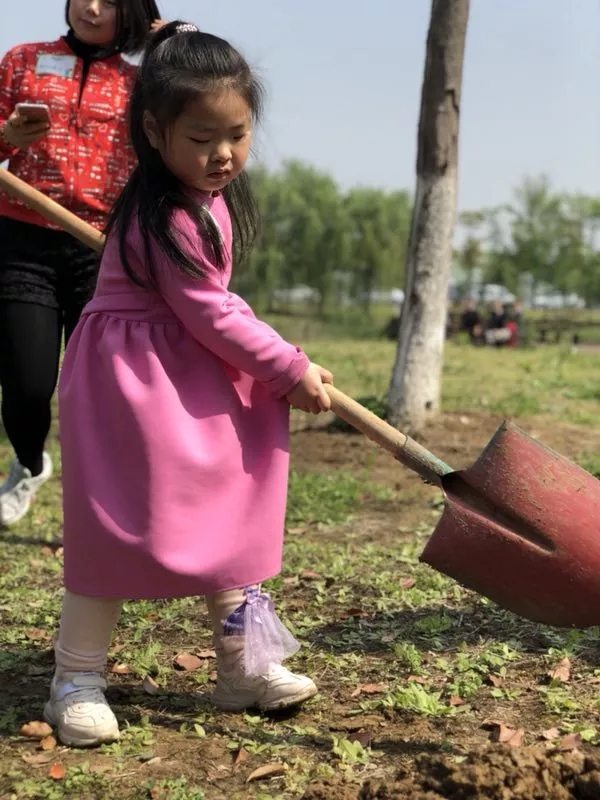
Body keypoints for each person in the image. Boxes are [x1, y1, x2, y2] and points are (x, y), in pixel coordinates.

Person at [43, 21, 334, 748]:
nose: (223, 154)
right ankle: (74, 679)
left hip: (194, 379)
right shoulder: (164, 215)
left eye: (236, 134)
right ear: (154, 130)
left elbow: (214, 311)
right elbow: (210, 309)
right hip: (131, 387)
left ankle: (243, 666)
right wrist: (288, 367)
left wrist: (272, 364)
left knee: (229, 516)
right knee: (115, 526)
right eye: (201, 137)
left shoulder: (213, 204)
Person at [0, 0, 162, 526]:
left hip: (102, 250)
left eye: (110, 1)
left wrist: (174, 47)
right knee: (27, 383)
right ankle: (28, 462)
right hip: (21, 240)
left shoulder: (145, 84)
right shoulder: (22, 60)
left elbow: (184, 135)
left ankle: (103, 507)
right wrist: (7, 138)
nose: (91, 7)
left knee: (100, 391)